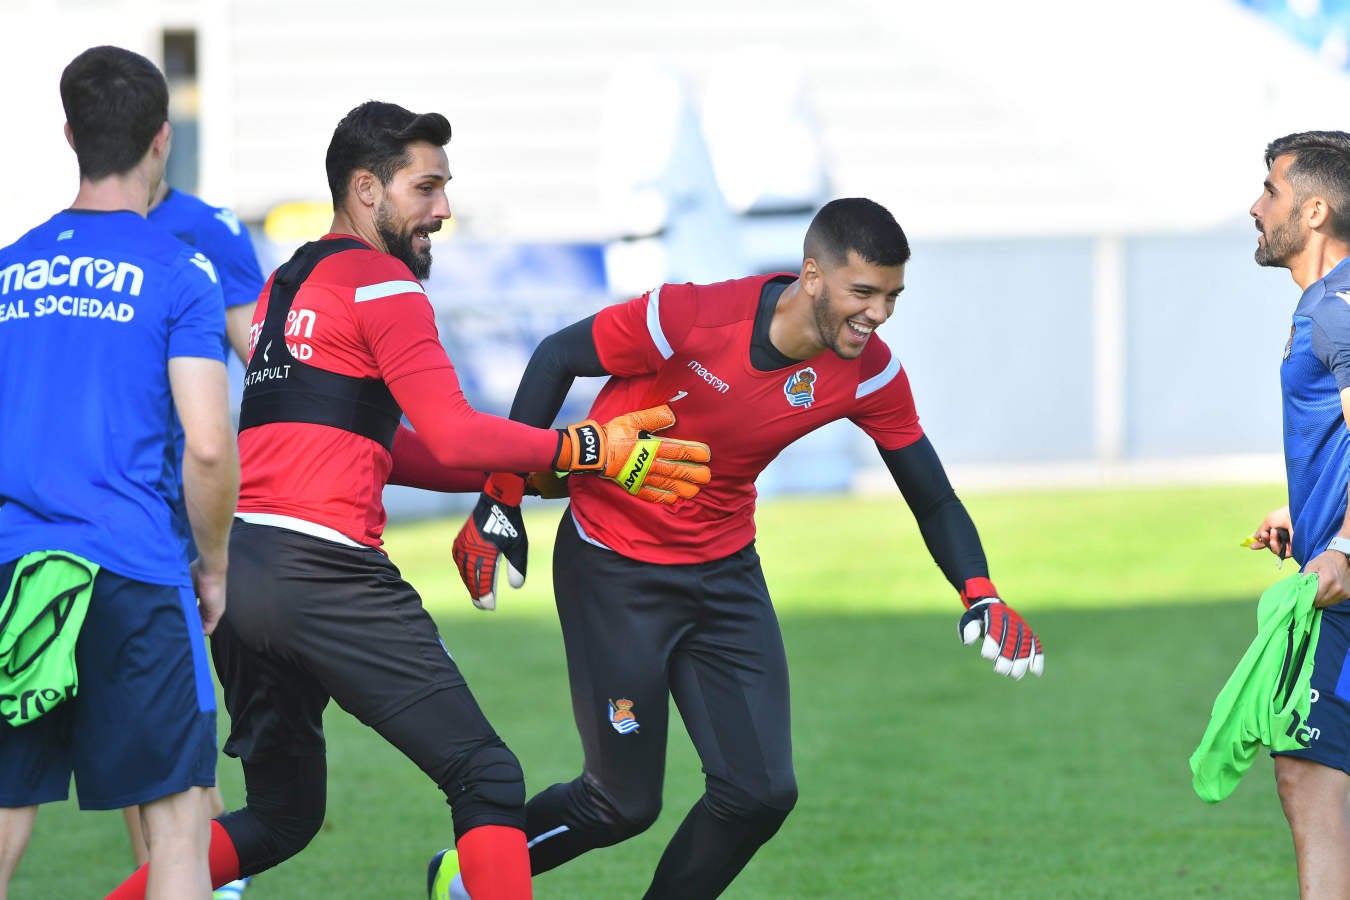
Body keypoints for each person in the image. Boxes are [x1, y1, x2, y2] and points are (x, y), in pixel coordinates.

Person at [104, 99, 710, 900]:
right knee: (487, 778)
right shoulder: (383, 282)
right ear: (366, 189)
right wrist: (589, 447)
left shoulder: (295, 281)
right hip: (325, 571)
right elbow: (456, 433)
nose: (443, 209)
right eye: (425, 188)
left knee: (282, 817)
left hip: (245, 569)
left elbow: (379, 445)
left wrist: (541, 472)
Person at [434, 197, 1045, 899]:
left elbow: (932, 496)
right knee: (620, 803)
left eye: (893, 296)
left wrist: (981, 590)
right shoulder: (688, 316)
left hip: (725, 576)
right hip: (613, 568)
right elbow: (556, 357)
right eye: (864, 292)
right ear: (813, 277)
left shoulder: (871, 372)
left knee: (758, 794)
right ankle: (463, 873)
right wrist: (499, 498)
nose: (879, 313)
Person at [0, 45, 239, 900]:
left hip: (13, 567)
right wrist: (212, 566)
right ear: (161, 141)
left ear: (69, 134)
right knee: (178, 825)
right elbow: (208, 444)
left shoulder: (7, 269)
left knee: (3, 814)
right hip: (134, 569)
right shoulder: (180, 273)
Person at [121, 181, 265, 897]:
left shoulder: (206, 229)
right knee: (151, 749)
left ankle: (207, 883)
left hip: (168, 519)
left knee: (166, 740)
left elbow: (262, 363)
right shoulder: (94, 237)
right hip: (137, 532)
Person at [1244, 130, 1350, 899]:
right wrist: (1305, 511)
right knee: (1309, 773)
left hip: (1344, 589)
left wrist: (1344, 543)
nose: (1255, 207)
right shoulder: (1327, 305)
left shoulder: (1339, 309)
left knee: (1309, 776)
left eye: (1270, 192)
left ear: (1313, 210)